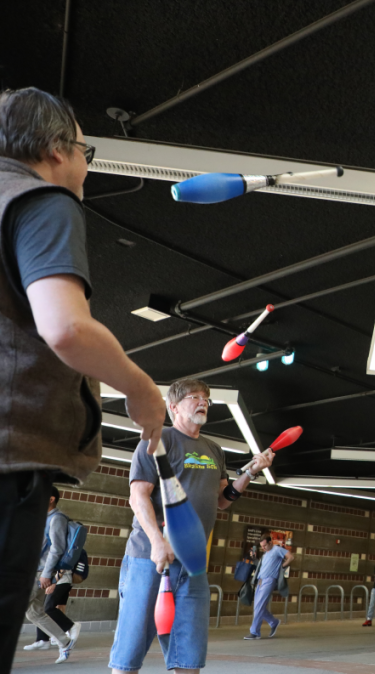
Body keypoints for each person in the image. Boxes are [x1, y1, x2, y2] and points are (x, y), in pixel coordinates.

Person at [0, 87, 165, 671]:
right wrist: (142, 391)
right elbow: (65, 328)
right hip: (10, 458)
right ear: (53, 149)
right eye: (83, 148)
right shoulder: (41, 198)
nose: (85, 164)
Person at [109, 378, 274, 673]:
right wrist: (158, 542)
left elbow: (223, 500)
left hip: (193, 563)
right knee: (131, 648)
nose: (203, 402)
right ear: (173, 406)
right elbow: (138, 496)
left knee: (189, 651)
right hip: (150, 557)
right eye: (194, 397)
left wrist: (251, 472)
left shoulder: (213, 449)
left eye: (206, 398)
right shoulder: (158, 441)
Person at [22, 487, 81, 663]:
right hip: (35, 571)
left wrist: (47, 575)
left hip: (40, 573)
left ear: (51, 499)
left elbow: (57, 549)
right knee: (34, 613)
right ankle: (64, 641)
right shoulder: (45, 518)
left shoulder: (57, 518)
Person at [246, 535, 293, 639]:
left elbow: (291, 557)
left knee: (259, 606)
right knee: (258, 607)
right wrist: (254, 558)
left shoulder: (277, 550)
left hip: (269, 580)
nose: (263, 547)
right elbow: (262, 566)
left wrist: (283, 566)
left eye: (265, 545)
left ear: (270, 543)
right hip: (260, 580)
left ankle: (254, 632)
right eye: (262, 546)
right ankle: (273, 622)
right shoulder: (265, 554)